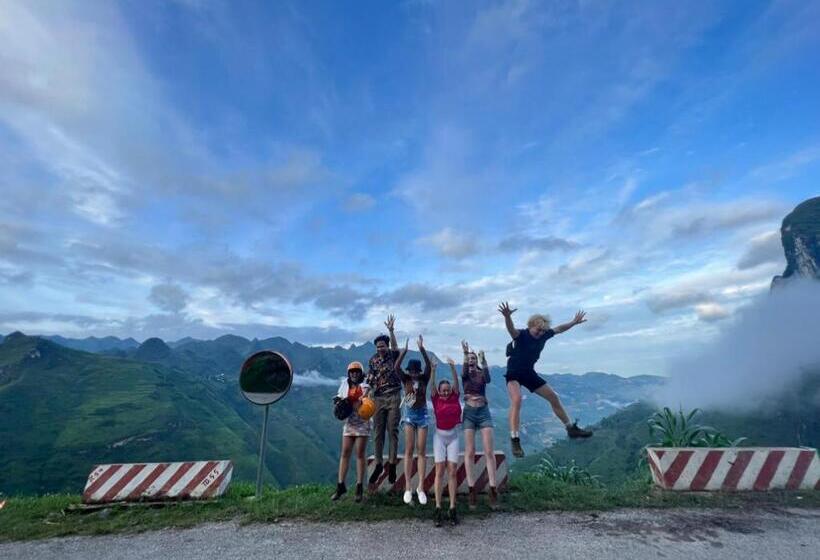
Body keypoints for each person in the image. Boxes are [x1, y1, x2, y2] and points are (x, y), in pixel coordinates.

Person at [498, 301, 593, 458]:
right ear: (531, 326)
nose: (540, 333)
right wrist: (507, 316)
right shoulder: (521, 335)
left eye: (543, 331)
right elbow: (511, 329)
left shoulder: (544, 335)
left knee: (553, 397)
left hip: (529, 373)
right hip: (513, 373)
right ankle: (515, 439)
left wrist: (574, 322)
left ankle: (571, 428)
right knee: (517, 400)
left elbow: (560, 329)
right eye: (538, 330)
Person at [459, 340, 498, 510]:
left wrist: (484, 360)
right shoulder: (465, 375)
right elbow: (463, 370)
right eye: (470, 359)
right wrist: (465, 354)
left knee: (489, 451)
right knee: (470, 451)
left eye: (474, 358)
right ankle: (471, 489)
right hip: (468, 413)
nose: (472, 360)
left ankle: (493, 489)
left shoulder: (482, 374)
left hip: (483, 413)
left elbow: (488, 379)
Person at [395, 335, 431, 506]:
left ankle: (421, 487)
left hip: (422, 414)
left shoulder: (424, 378)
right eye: (412, 371)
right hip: (409, 415)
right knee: (409, 449)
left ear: (420, 371)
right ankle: (408, 487)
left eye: (416, 370)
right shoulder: (406, 379)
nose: (414, 373)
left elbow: (429, 366)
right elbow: (396, 367)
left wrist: (422, 349)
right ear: (409, 371)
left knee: (421, 450)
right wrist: (404, 352)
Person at [366, 314, 402, 487]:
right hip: (378, 397)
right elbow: (370, 378)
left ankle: (393, 464)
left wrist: (391, 330)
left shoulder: (392, 356)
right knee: (378, 432)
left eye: (383, 346)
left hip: (394, 395)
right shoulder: (372, 360)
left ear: (386, 346)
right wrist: (367, 394)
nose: (380, 348)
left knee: (392, 430)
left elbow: (396, 347)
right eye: (378, 346)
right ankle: (379, 463)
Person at [331, 361, 370, 502]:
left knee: (359, 454)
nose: (354, 373)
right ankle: (340, 485)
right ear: (349, 373)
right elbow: (341, 398)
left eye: (356, 371)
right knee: (345, 452)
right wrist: (338, 402)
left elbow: (364, 396)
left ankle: (359, 487)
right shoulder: (344, 384)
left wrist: (356, 399)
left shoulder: (365, 384)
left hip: (362, 422)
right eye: (352, 371)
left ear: (360, 373)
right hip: (349, 422)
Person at [431, 357, 462, 527]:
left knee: (452, 472)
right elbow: (432, 386)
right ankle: (437, 508)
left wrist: (452, 368)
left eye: (447, 390)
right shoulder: (436, 399)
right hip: (440, 437)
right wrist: (433, 370)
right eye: (443, 390)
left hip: (453, 437)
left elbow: (456, 383)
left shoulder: (455, 396)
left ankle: (452, 508)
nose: (445, 392)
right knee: (439, 472)